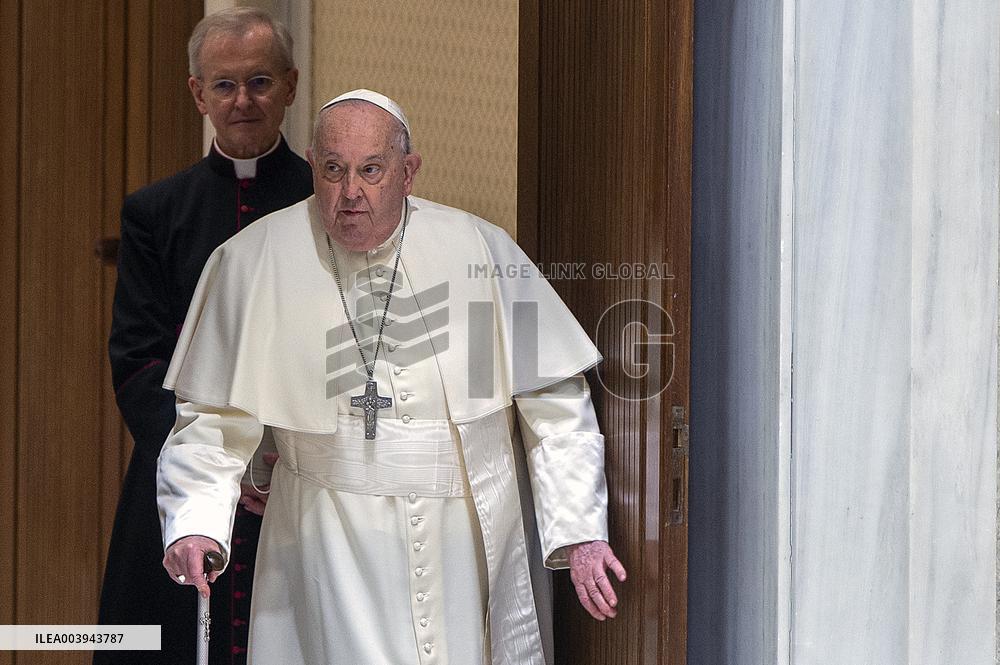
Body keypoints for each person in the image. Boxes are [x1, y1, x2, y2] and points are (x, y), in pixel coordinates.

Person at [157, 89, 626, 665]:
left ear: (408, 173)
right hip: (323, 536)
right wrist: (195, 522)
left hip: (465, 536)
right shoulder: (254, 260)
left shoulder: (475, 249)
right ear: (312, 166)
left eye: (371, 170)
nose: (350, 192)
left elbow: (553, 402)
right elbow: (212, 417)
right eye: (332, 170)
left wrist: (579, 531)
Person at [96, 8, 312, 665]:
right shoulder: (155, 212)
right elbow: (137, 359)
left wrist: (272, 450)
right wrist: (213, 463)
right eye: (224, 85)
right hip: (182, 468)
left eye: (259, 82)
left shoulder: (328, 202)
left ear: (291, 85)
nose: (242, 100)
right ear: (198, 93)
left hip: (295, 476)